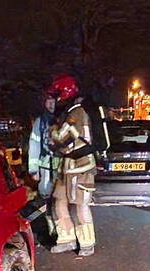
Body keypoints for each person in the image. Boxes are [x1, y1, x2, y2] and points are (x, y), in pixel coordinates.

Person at [48, 74, 97, 256]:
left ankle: (87, 243)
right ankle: (66, 239)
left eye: (57, 95)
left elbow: (61, 139)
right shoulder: (71, 112)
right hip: (67, 168)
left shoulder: (76, 113)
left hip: (81, 168)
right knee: (59, 201)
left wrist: (52, 128)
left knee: (80, 205)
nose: (55, 99)